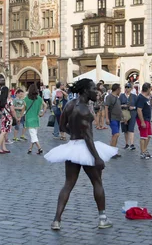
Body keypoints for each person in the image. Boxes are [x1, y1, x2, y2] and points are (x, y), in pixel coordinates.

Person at [45, 78, 116, 230]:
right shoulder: (84, 110)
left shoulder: (70, 105)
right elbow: (88, 137)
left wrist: (74, 136)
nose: (96, 91)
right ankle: (102, 219)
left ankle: (56, 220)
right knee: (97, 182)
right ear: (85, 91)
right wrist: (97, 158)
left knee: (68, 184)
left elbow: (63, 126)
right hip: (85, 148)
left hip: (73, 146)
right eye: (92, 89)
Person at [24, 85, 45, 154]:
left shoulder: (26, 99)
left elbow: (23, 108)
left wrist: (19, 116)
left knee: (33, 135)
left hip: (29, 119)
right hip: (36, 118)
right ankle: (30, 148)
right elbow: (46, 105)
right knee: (34, 134)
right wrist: (42, 113)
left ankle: (40, 148)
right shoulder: (39, 98)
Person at [0, 86, 16, 154]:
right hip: (8, 118)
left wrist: (1, 113)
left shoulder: (1, 100)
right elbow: (12, 110)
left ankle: (4, 147)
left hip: (4, 117)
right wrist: (15, 117)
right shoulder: (9, 100)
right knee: (3, 133)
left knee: (3, 132)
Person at [104, 84, 123, 157]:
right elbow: (106, 107)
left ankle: (113, 151)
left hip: (117, 118)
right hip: (112, 118)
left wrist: (122, 117)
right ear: (117, 89)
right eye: (120, 89)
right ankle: (112, 152)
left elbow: (119, 108)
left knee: (115, 135)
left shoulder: (117, 98)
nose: (120, 91)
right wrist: (107, 118)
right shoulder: (109, 97)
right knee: (116, 134)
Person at [136, 82, 152, 159]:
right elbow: (139, 110)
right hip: (143, 119)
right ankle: (142, 152)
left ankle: (145, 150)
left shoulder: (146, 97)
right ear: (148, 89)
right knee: (143, 136)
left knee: (149, 135)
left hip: (147, 118)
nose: (151, 90)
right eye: (150, 89)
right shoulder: (141, 98)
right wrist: (142, 121)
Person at [119, 83, 137, 151]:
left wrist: (134, 107)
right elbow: (118, 105)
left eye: (128, 87)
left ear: (131, 88)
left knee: (131, 128)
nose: (127, 89)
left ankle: (132, 144)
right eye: (126, 87)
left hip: (132, 113)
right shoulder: (121, 96)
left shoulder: (134, 96)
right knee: (125, 129)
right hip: (124, 113)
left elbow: (138, 105)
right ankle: (127, 144)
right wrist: (123, 106)